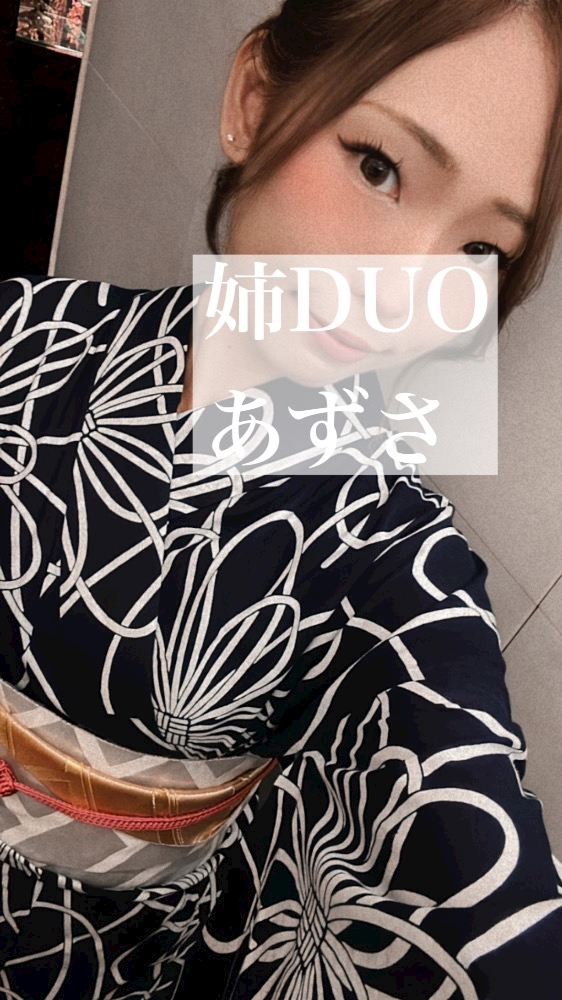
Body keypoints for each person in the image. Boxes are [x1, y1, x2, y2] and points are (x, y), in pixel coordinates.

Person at [0, 1, 561, 997]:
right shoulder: (26, 328)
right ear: (254, 100)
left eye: (480, 253)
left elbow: (469, 847)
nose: (406, 294)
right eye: (379, 167)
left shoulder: (392, 558)